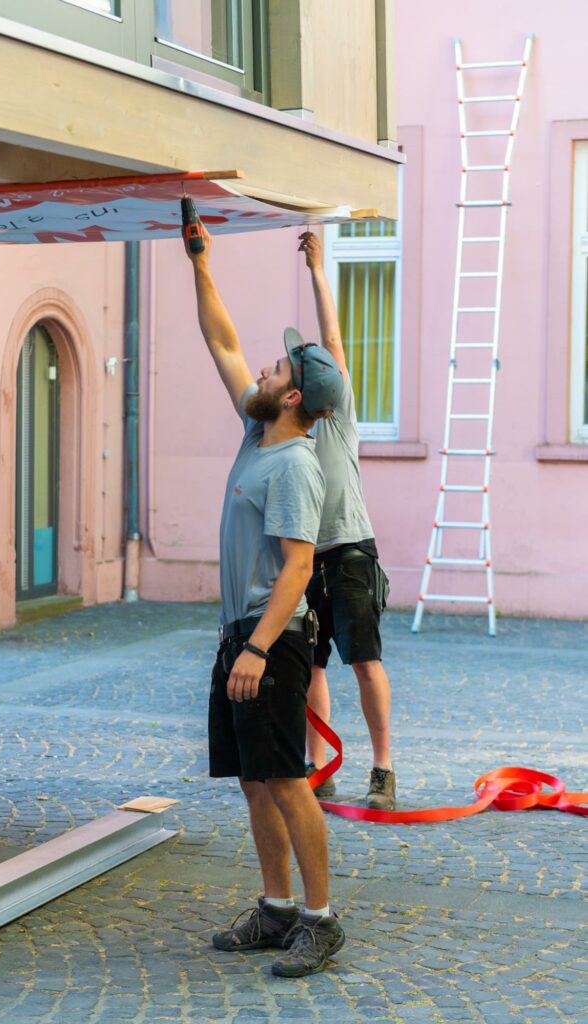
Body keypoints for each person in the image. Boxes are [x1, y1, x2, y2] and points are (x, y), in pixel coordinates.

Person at [184, 227, 345, 978]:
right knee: (255, 779)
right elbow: (221, 341)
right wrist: (202, 265)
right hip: (241, 634)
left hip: (270, 639)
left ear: (291, 395)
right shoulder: (259, 429)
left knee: (286, 778)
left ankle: (320, 920)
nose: (261, 366)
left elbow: (299, 570)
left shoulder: (293, 467)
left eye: (276, 364)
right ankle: (277, 908)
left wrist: (254, 649)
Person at [298, 230, 396, 811]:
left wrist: (316, 268)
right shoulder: (291, 433)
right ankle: (320, 763)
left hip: (352, 552)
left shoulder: (338, 417)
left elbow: (333, 337)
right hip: (304, 559)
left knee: (364, 662)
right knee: (311, 663)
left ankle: (382, 769)